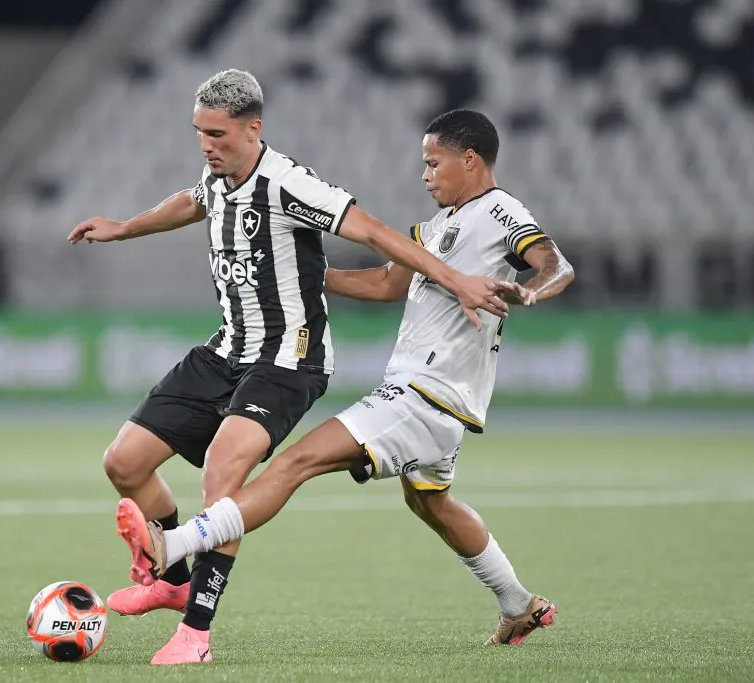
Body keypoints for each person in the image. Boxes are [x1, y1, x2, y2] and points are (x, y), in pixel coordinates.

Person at [69, 73, 518, 664]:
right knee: (123, 462)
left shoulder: (289, 184)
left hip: (288, 359)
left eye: (217, 134)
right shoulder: (219, 172)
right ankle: (175, 581)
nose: (205, 144)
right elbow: (193, 200)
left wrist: (456, 278)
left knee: (222, 475)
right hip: (227, 349)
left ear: (253, 129)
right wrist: (126, 227)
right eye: (199, 132)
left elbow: (377, 232)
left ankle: (195, 634)